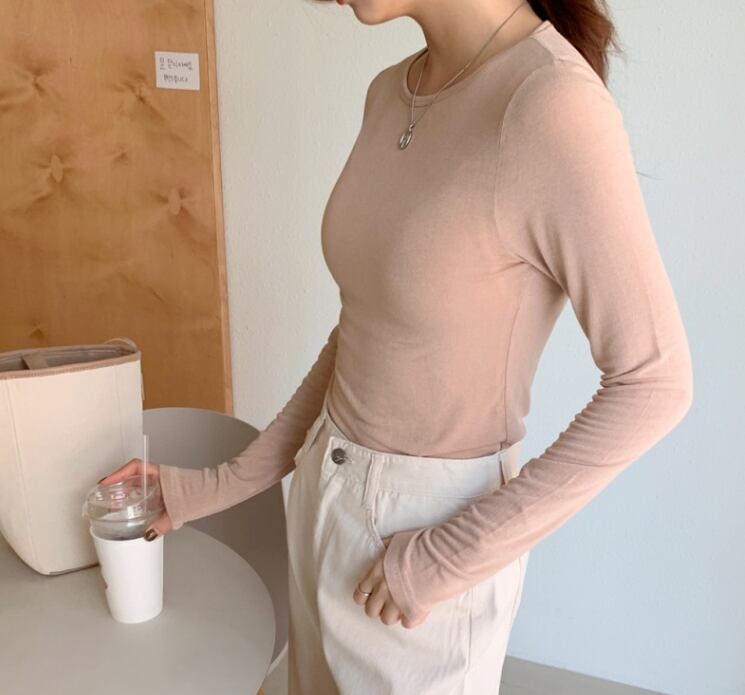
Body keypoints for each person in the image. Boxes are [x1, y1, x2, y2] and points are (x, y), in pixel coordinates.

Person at [99, 1, 694, 692]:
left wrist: (446, 556)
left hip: (426, 544)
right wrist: (214, 486)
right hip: (323, 492)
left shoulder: (552, 104)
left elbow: (654, 383)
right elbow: (364, 328)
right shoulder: (390, 91)